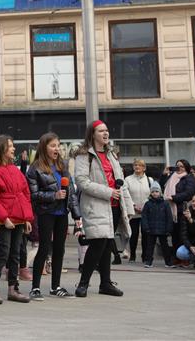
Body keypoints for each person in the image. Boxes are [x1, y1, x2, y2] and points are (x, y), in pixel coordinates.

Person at [74, 120, 134, 298]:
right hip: (96, 206)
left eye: (107, 130)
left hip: (114, 207)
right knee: (98, 243)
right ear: (92, 134)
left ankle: (105, 283)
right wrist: (108, 192)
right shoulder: (84, 155)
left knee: (108, 244)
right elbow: (82, 181)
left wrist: (128, 207)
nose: (105, 134)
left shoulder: (111, 155)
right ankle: (84, 283)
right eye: (101, 131)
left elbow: (121, 182)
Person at [25, 132, 81, 300]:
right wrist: (53, 196)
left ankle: (55, 286)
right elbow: (33, 195)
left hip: (62, 212)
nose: (57, 148)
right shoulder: (35, 168)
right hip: (45, 212)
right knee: (43, 248)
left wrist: (77, 216)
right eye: (53, 145)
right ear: (44, 147)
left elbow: (70, 192)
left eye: (58, 145)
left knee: (59, 249)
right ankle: (35, 287)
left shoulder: (63, 166)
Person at [0, 135, 34, 304]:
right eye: (10, 146)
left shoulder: (15, 170)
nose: (13, 149)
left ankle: (13, 288)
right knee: (3, 253)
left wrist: (27, 217)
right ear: (1, 149)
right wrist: (3, 218)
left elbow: (25, 193)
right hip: (6, 219)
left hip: (18, 217)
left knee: (16, 254)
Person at [125, 158, 153, 263]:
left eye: (140, 165)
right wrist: (133, 205)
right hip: (133, 212)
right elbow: (125, 194)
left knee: (146, 234)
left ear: (144, 168)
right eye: (135, 165)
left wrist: (144, 206)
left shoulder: (150, 180)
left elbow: (152, 194)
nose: (137, 167)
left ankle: (145, 256)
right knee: (133, 234)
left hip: (146, 212)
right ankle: (132, 254)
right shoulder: (127, 179)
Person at [140, 182, 173, 267]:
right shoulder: (148, 204)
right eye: (153, 191)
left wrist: (169, 228)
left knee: (165, 246)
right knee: (149, 246)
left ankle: (168, 262)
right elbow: (144, 216)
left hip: (163, 229)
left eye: (157, 191)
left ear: (160, 192)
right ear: (150, 193)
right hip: (151, 229)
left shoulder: (165, 204)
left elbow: (169, 217)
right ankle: (148, 261)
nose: (155, 193)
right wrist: (145, 227)